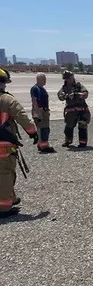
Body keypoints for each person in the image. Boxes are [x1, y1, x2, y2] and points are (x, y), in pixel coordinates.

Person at [0, 68, 39, 218]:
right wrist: (32, 132)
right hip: (3, 146)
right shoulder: (6, 100)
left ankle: (11, 199)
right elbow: (21, 116)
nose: (4, 86)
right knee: (5, 175)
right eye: (3, 82)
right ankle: (4, 208)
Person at [57, 70, 90, 148]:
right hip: (71, 112)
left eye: (72, 77)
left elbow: (85, 93)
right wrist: (66, 96)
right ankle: (68, 141)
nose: (72, 79)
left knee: (82, 127)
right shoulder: (64, 88)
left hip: (82, 110)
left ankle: (83, 143)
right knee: (69, 127)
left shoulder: (79, 85)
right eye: (69, 78)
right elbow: (60, 96)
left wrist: (77, 95)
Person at [30, 73, 56, 153]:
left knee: (44, 128)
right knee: (43, 129)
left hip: (44, 110)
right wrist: (38, 112)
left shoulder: (41, 88)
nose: (45, 81)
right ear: (39, 79)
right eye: (43, 79)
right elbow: (34, 100)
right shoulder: (35, 88)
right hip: (40, 110)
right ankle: (43, 146)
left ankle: (41, 144)